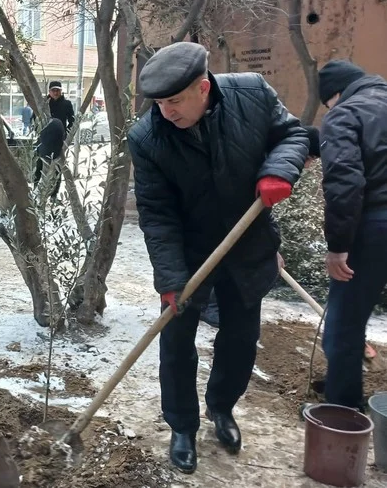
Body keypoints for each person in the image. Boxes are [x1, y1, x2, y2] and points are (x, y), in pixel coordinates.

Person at [127, 42, 308, 474]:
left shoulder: (253, 94)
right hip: (189, 254)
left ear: (203, 87)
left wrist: (279, 171)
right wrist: (171, 278)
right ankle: (182, 426)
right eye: (158, 102)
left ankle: (222, 409)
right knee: (176, 343)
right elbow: (157, 213)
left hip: (247, 242)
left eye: (174, 100)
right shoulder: (147, 137)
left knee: (241, 339)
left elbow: (294, 134)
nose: (165, 111)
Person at [316, 60, 387, 412]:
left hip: (374, 227)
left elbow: (345, 183)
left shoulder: (345, 115)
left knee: (343, 325)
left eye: (327, 103)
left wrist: (338, 247)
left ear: (337, 94)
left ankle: (343, 411)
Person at [200, 125, 322, 328]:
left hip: (239, 219)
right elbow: (250, 207)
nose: (308, 166)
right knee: (231, 262)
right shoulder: (264, 161)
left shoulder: (275, 163)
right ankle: (209, 306)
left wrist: (271, 247)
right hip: (223, 217)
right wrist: (269, 248)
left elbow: (263, 211)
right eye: (309, 158)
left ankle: (214, 305)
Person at [32, 117, 66, 199]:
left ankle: (37, 191)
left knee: (39, 171)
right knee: (56, 173)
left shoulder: (46, 123)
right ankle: (53, 195)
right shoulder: (57, 122)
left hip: (45, 151)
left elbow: (39, 136)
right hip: (56, 152)